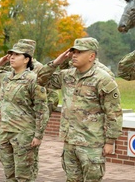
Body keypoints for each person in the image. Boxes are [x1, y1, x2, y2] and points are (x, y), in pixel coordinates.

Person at [37, 37, 123, 181]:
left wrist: (110, 141)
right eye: (73, 52)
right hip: (70, 142)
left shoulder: (103, 79)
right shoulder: (67, 76)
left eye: (79, 52)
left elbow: (114, 113)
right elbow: (41, 80)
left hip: (91, 144)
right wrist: (56, 63)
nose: (74, 55)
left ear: (91, 56)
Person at [0, 42, 49, 181]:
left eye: (16, 55)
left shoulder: (33, 79)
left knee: (24, 175)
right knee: (9, 174)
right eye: (11, 54)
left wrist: (38, 135)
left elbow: (42, 110)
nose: (12, 57)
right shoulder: (6, 77)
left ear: (27, 59)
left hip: (24, 134)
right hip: (6, 132)